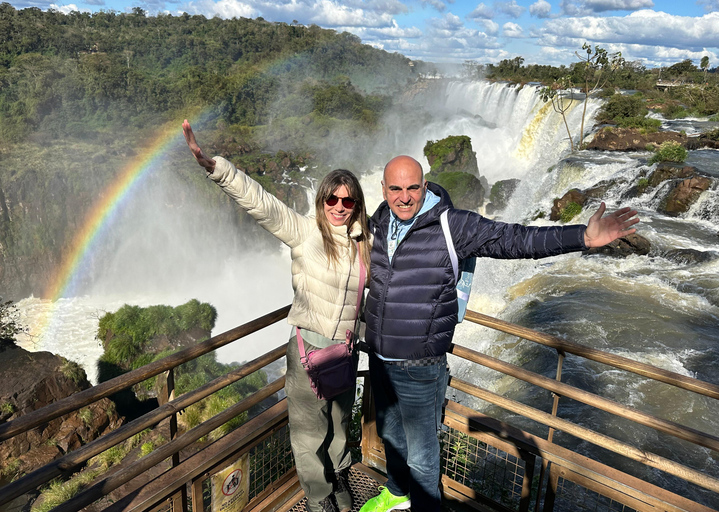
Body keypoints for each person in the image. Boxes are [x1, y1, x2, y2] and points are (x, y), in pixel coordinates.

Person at [360, 155, 639, 512]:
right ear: (383, 190)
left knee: (422, 456)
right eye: (395, 188)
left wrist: (582, 236)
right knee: (391, 436)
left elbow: (515, 240)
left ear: (424, 187)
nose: (404, 197)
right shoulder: (380, 221)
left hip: (420, 365)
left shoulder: (452, 225)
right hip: (380, 357)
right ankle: (396, 495)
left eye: (412, 187)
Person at [182, 120, 370, 512]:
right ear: (320, 202)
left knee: (338, 427)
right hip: (308, 353)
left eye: (347, 201)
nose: (338, 207)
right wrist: (215, 166)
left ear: (357, 206)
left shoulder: (365, 244)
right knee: (308, 434)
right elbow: (260, 203)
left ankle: (337, 481)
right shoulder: (304, 233)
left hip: (346, 354)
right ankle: (320, 499)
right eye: (331, 200)